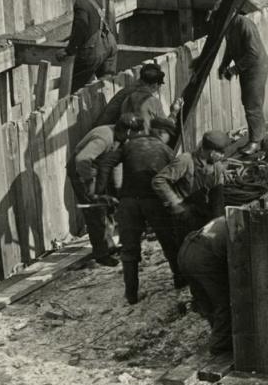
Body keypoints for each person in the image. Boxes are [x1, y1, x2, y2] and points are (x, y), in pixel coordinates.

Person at [113, 117, 181, 305]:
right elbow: (177, 177)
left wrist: (111, 192)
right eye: (169, 135)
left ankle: (131, 295)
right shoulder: (165, 150)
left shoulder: (129, 146)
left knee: (129, 250)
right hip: (154, 202)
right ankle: (180, 282)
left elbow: (107, 163)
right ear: (161, 132)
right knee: (169, 243)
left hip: (128, 203)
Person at [69, 113, 138, 266]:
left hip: (97, 168)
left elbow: (115, 164)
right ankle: (101, 254)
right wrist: (90, 185)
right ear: (127, 132)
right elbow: (81, 160)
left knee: (108, 206)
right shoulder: (104, 138)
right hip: (81, 170)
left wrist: (119, 190)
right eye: (133, 133)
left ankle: (109, 245)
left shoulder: (120, 139)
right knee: (95, 211)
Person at [152, 129, 229, 254]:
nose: (223, 156)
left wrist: (218, 223)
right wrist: (175, 203)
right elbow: (159, 181)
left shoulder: (217, 167)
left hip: (204, 216)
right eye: (220, 152)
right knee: (184, 253)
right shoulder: (185, 161)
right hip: (184, 218)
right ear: (211, 151)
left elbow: (218, 198)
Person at [217, 5, 268, 155]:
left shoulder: (244, 24)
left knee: (252, 104)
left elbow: (254, 53)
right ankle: (259, 137)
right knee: (248, 102)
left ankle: (255, 142)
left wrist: (234, 69)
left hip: (256, 67)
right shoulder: (231, 25)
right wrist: (224, 65)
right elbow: (231, 48)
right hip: (248, 68)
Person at [178, 215, 232, 355]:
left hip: (186, 250)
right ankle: (220, 346)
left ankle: (220, 336)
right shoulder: (242, 223)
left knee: (206, 300)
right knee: (225, 302)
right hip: (203, 258)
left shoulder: (227, 217)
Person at [59, 0, 116, 93]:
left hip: (93, 51)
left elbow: (81, 28)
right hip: (110, 46)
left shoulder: (81, 2)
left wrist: (69, 50)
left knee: (74, 89)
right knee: (107, 86)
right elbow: (109, 18)